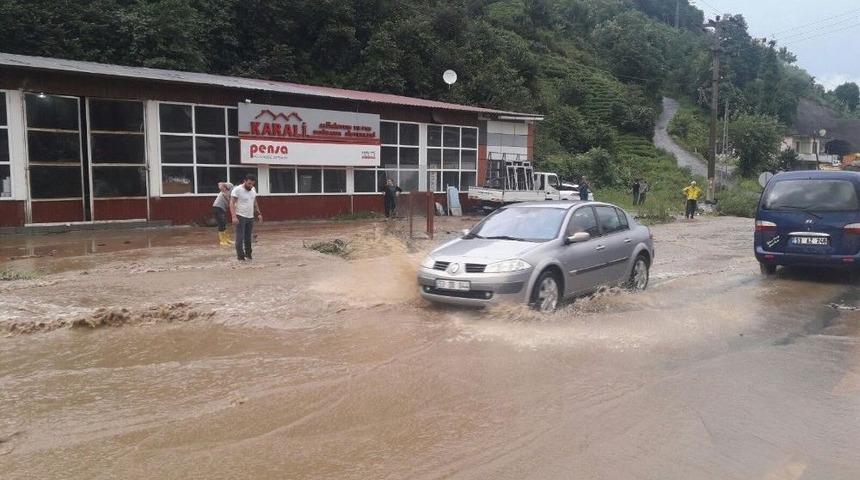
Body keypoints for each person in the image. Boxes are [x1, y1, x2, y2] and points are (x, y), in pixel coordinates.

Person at [230, 174, 262, 261]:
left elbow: (254, 202)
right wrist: (234, 217)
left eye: (252, 184)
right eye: (249, 184)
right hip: (240, 216)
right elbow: (231, 203)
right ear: (244, 181)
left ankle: (249, 255)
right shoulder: (237, 190)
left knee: (248, 238)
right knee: (239, 238)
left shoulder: (253, 189)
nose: (251, 186)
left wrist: (258, 213)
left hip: (250, 217)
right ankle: (240, 257)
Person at [212, 181, 234, 247]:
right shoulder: (231, 186)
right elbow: (220, 184)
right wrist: (224, 188)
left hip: (222, 208)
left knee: (224, 223)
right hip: (217, 207)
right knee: (221, 223)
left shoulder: (234, 193)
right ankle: (222, 241)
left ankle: (227, 239)